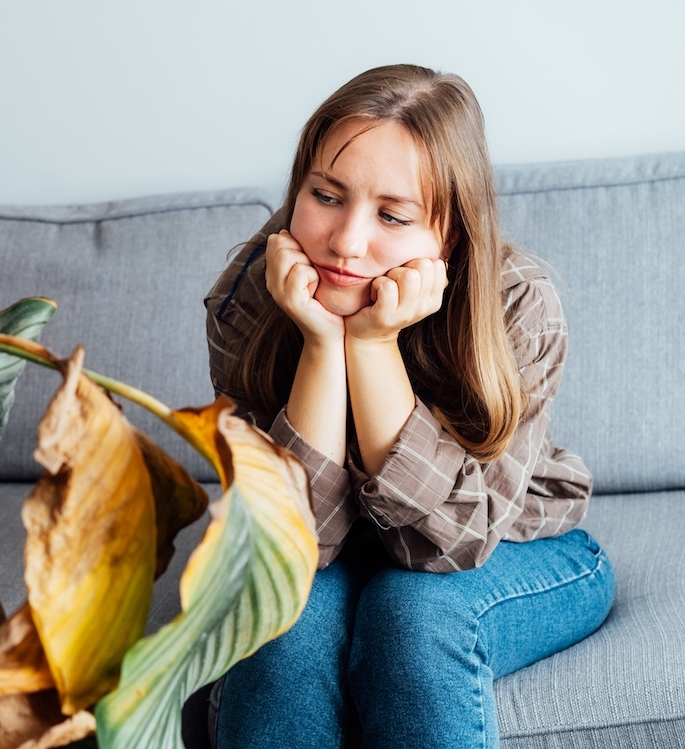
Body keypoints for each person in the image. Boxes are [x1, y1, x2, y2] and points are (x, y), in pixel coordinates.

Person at [203, 65, 615, 749]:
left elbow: (447, 546)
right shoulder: (252, 293)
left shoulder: (517, 305)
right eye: (326, 196)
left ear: (448, 234)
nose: (346, 242)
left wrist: (372, 346)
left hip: (511, 545)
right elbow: (288, 550)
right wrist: (318, 341)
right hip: (335, 559)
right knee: (284, 618)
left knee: (412, 615)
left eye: (393, 215)